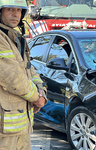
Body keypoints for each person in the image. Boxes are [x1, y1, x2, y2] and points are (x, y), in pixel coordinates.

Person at [0, 1, 47, 149]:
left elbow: (29, 70)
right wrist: (36, 98)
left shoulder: (14, 38)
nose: (15, 14)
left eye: (19, 11)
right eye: (10, 9)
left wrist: (41, 92)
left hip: (20, 125)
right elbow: (11, 77)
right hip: (5, 127)